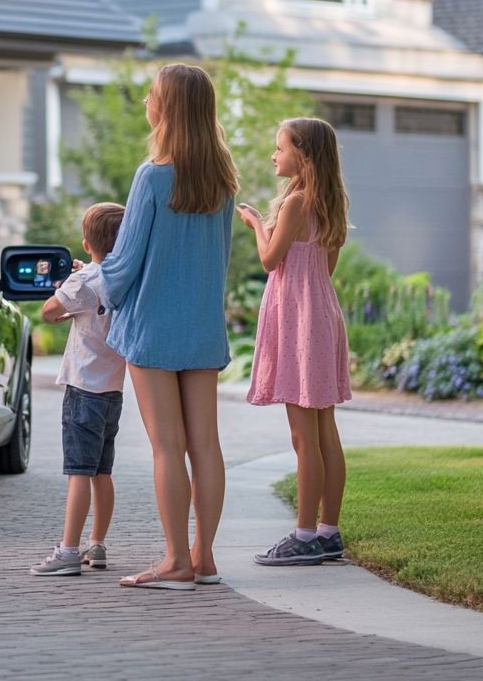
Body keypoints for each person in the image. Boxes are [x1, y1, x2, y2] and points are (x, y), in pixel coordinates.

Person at [100, 63, 238, 591]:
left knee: (166, 447)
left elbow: (126, 261)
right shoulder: (223, 179)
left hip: (153, 328)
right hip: (202, 327)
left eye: (152, 95)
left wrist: (87, 285)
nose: (145, 103)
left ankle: (175, 561)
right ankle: (203, 558)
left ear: (169, 107)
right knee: (206, 445)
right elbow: (220, 259)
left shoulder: (152, 176)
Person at [237, 117, 352, 566]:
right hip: (322, 315)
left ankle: (304, 535)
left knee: (303, 437)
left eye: (280, 147)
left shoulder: (295, 203)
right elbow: (327, 268)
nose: (274, 155)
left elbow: (270, 260)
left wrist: (255, 224)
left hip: (299, 324)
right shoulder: (331, 205)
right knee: (325, 431)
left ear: (302, 154)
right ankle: (329, 531)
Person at [29, 202, 128, 577]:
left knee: (79, 472)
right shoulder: (120, 277)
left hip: (83, 387)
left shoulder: (81, 282)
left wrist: (69, 290)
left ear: (87, 244)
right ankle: (97, 543)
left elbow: (49, 311)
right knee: (102, 472)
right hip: (112, 390)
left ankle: (68, 551)